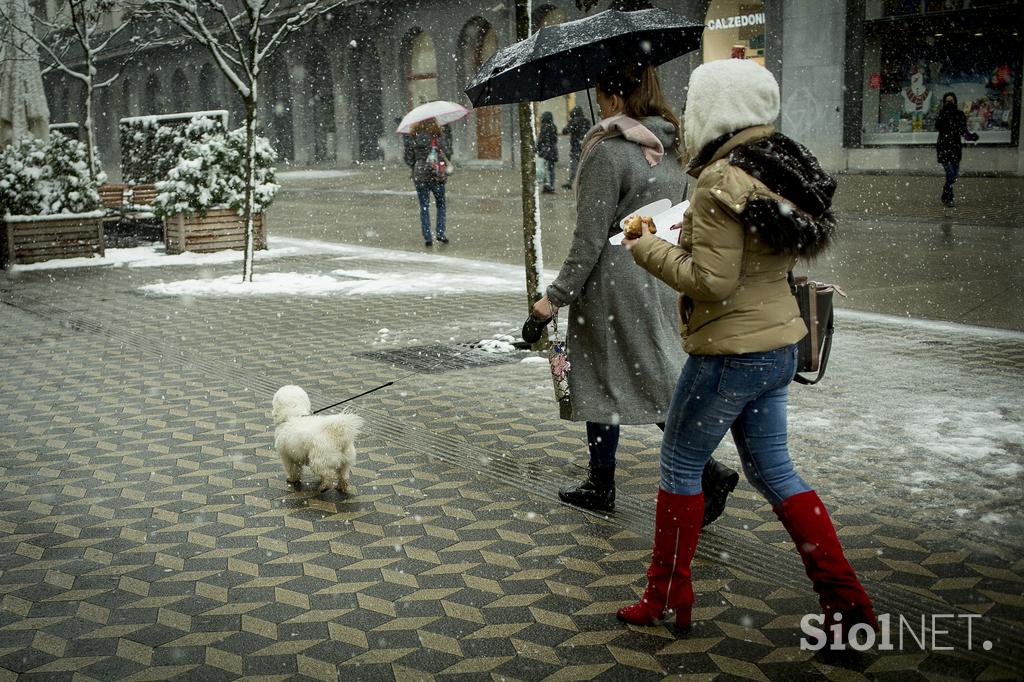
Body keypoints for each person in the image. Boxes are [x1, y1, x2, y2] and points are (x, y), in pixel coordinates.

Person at [618, 58, 876, 643]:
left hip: (728, 353)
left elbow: (712, 282)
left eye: (694, 104)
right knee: (775, 471)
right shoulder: (781, 166)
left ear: (713, 109)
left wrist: (646, 243)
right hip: (778, 346)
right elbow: (753, 261)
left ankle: (665, 593)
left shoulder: (718, 180)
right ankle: (847, 605)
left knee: (681, 466)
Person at [531, 62, 738, 519]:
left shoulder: (607, 151)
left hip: (611, 287)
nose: (601, 101)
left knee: (636, 381)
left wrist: (554, 298)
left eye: (604, 93)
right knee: (633, 378)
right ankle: (601, 482)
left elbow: (588, 241)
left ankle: (707, 474)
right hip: (660, 274)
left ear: (614, 98)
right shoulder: (671, 145)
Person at [405, 118, 451, 246]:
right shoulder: (437, 137)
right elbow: (447, 153)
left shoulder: (414, 137)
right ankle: (440, 233)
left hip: (420, 175)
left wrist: (417, 163)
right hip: (436, 174)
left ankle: (427, 237)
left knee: (424, 207)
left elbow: (408, 158)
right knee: (440, 205)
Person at [935, 92, 978, 207]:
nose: (949, 103)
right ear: (944, 103)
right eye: (947, 101)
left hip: (955, 148)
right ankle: (949, 198)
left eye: (951, 101)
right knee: (950, 173)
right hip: (944, 148)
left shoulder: (959, 114)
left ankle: (945, 194)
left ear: (955, 101)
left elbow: (963, 131)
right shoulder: (942, 114)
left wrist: (971, 136)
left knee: (953, 176)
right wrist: (944, 113)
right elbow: (938, 126)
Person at [562, 105, 591, 189]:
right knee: (585, 166)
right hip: (585, 146)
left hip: (575, 147)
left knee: (574, 166)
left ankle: (570, 182)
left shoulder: (574, 121)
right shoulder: (586, 121)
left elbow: (565, 131)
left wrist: (570, 123)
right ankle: (585, 183)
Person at [536, 111, 559, 193]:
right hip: (552, 151)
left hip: (545, 151)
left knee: (544, 169)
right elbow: (555, 140)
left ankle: (546, 185)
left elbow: (541, 140)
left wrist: (538, 148)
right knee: (551, 169)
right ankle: (551, 185)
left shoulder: (544, 127)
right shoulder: (554, 127)